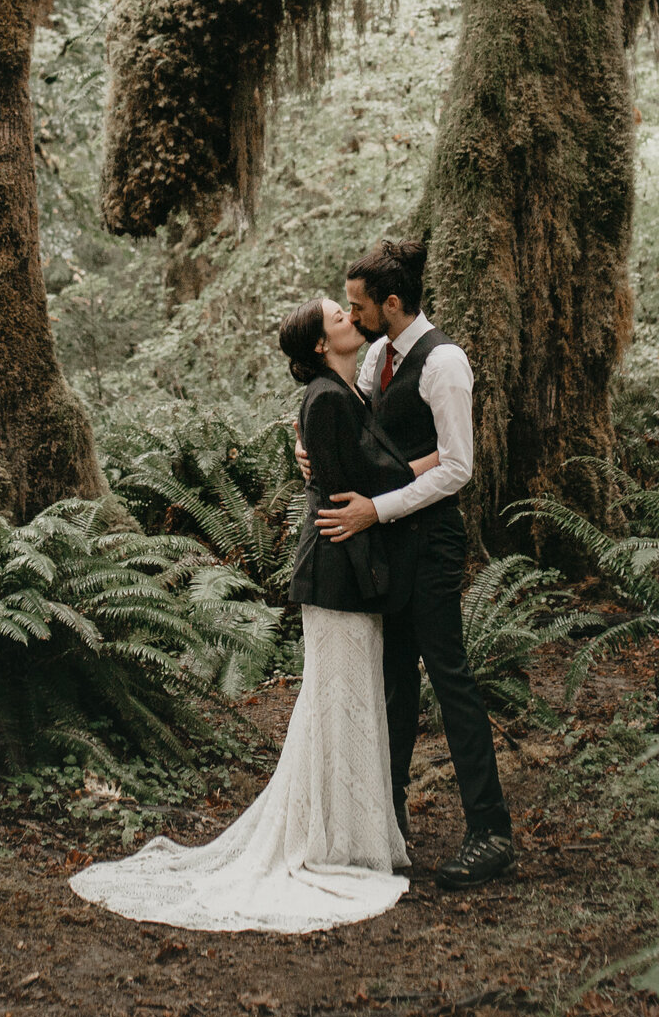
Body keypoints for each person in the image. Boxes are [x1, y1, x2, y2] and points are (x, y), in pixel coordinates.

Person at [68, 298, 426, 932]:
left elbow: (355, 466)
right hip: (336, 572)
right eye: (336, 314)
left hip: (350, 571)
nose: (349, 314)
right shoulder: (326, 399)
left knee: (347, 700)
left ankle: (344, 836)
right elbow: (365, 476)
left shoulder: (342, 392)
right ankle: (331, 845)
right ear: (321, 343)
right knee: (337, 700)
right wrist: (442, 464)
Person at [312, 237, 516, 889]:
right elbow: (356, 416)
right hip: (389, 548)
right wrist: (310, 444)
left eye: (358, 304)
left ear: (391, 302)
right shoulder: (378, 355)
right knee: (395, 682)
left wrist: (379, 506)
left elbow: (459, 466)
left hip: (430, 543)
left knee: (449, 678)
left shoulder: (445, 362)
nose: (354, 313)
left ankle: (490, 831)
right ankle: (388, 822)